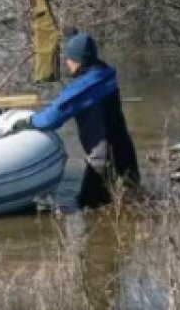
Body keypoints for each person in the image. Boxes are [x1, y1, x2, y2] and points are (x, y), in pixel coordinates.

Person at [11, 32, 140, 209]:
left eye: (69, 58)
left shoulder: (86, 87)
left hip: (103, 162)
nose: (67, 62)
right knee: (131, 206)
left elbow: (52, 118)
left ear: (78, 60)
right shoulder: (107, 75)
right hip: (126, 155)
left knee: (87, 210)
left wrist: (29, 121)